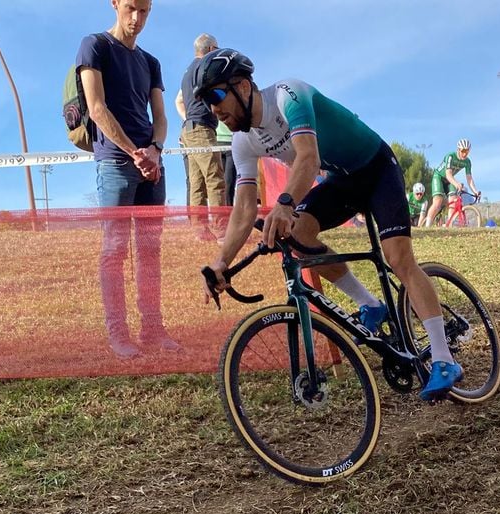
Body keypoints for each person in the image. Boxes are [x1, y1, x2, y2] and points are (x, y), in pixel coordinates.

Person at [195, 49, 465, 401]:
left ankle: (444, 358)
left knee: (399, 259)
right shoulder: (242, 141)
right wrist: (221, 262)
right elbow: (244, 207)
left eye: (217, 94)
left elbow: (308, 157)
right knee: (299, 233)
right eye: (205, 100)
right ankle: (371, 305)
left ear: (243, 86)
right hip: (343, 181)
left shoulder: (287, 95)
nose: (214, 109)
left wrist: (285, 203)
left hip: (377, 169)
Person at [76, 0, 177, 358]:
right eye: (131, 8)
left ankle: (153, 329)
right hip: (116, 163)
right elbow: (96, 108)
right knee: (114, 250)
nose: (137, 19)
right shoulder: (95, 45)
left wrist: (156, 149)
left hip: (152, 164)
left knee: (150, 251)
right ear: (115, 4)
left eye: (145, 11)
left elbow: (161, 117)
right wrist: (136, 152)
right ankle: (118, 334)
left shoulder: (151, 62)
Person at [174, 33, 225, 213]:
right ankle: (221, 228)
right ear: (211, 49)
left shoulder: (187, 72)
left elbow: (178, 100)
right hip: (202, 129)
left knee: (197, 182)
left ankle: (199, 231)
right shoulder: (206, 67)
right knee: (215, 178)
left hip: (188, 130)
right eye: (216, 50)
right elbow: (216, 94)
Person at [422, 140, 480, 228]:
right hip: (439, 177)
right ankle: (427, 226)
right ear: (458, 150)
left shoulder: (467, 162)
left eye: (467, 151)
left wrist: (475, 191)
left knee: (454, 200)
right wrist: (457, 184)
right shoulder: (450, 156)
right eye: (463, 151)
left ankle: (449, 226)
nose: (465, 154)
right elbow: (448, 174)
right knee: (438, 202)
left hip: (450, 180)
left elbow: (469, 178)